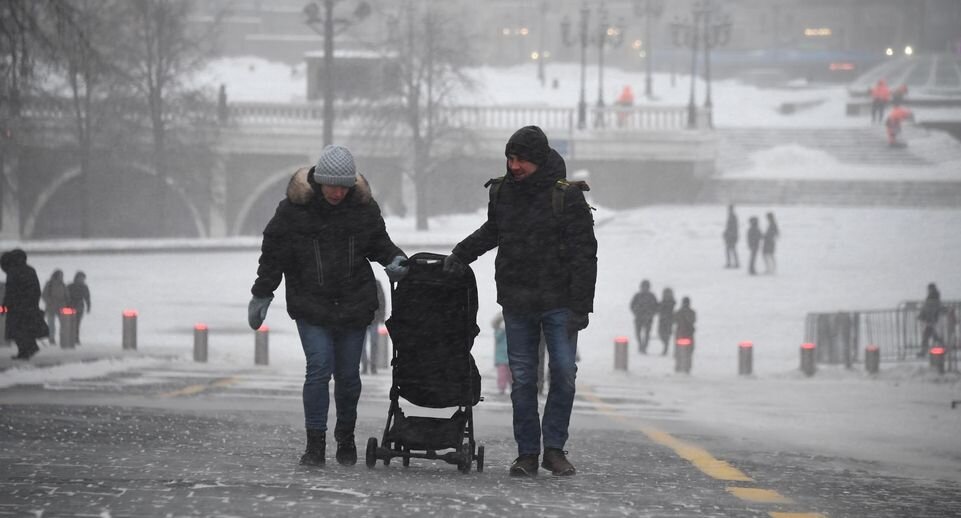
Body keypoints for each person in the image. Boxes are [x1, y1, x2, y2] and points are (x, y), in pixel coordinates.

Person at [442, 125, 597, 477]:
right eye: (510, 159)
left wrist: (581, 306)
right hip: (517, 300)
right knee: (524, 379)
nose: (514, 166)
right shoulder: (502, 192)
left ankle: (554, 450)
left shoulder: (566, 197)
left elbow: (584, 255)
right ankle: (527, 453)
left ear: (539, 160)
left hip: (559, 302)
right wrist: (461, 254)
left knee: (563, 374)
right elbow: (492, 231)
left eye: (521, 160)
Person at [247, 144, 409, 467]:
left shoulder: (362, 209)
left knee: (348, 377)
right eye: (331, 185)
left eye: (343, 186)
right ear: (319, 181)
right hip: (311, 303)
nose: (337, 193)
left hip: (353, 303)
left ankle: (345, 436)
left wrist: (395, 259)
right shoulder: (294, 211)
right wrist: (262, 292)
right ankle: (315, 444)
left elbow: (379, 243)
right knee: (319, 368)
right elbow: (274, 254)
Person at [2, 249, 48, 360]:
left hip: (16, 307)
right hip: (30, 306)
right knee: (27, 330)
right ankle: (28, 349)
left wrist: (4, 305)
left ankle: (25, 351)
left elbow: (10, 291)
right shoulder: (30, 270)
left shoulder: (13, 272)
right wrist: (33, 303)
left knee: (17, 331)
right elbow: (36, 289)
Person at [360, 279, 385, 375]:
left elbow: (382, 299)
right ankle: (365, 366)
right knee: (362, 344)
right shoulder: (360, 282)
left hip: (374, 318)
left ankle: (373, 366)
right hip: (362, 319)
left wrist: (382, 316)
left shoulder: (376, 283)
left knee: (373, 343)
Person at [629, 279, 658, 353]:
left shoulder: (652, 296)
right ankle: (640, 345)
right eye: (643, 286)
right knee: (638, 333)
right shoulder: (637, 296)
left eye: (646, 286)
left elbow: (656, 307)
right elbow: (632, 305)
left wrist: (651, 314)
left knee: (647, 334)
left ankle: (644, 347)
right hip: (639, 318)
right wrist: (636, 312)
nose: (645, 288)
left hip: (648, 319)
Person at [41, 269, 69, 345]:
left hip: (61, 307)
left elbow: (67, 295)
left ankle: (63, 338)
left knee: (64, 324)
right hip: (51, 307)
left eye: (62, 275)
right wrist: (49, 302)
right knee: (51, 325)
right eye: (60, 275)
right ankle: (51, 339)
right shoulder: (49, 284)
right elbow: (44, 295)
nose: (62, 277)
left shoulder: (63, 284)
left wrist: (67, 304)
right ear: (56, 276)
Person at [917, 282, 944, 357]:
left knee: (926, 336)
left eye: (929, 289)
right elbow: (928, 308)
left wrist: (922, 315)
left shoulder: (932, 297)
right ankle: (943, 347)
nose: (928, 290)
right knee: (933, 336)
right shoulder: (934, 297)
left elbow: (928, 308)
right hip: (932, 320)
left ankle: (923, 352)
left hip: (931, 320)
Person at [67, 271, 91, 344]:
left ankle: (76, 338)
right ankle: (70, 338)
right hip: (70, 306)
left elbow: (87, 297)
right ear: (76, 278)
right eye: (80, 278)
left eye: (83, 278)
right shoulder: (70, 286)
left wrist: (88, 306)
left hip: (79, 307)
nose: (82, 280)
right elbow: (66, 296)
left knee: (77, 323)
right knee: (70, 323)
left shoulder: (84, 287)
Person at [492, 313, 511, 394]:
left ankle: (513, 388)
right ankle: (502, 388)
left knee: (512, 374)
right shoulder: (498, 332)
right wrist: (502, 330)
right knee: (502, 374)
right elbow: (497, 338)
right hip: (501, 358)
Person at [657, 287, 676, 356]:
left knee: (667, 335)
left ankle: (665, 348)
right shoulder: (662, 302)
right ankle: (665, 346)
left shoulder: (671, 302)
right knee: (661, 334)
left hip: (668, 321)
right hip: (662, 321)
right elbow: (658, 309)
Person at [723, 204, 739, 268]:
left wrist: (729, 234)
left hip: (731, 236)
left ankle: (731, 263)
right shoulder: (731, 216)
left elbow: (733, 227)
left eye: (729, 209)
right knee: (731, 249)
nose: (729, 210)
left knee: (730, 249)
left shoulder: (732, 217)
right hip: (731, 235)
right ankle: (734, 263)